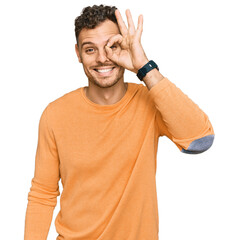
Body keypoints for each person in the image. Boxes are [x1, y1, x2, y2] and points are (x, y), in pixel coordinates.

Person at [24, 4, 215, 240]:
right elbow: (42, 194)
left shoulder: (150, 100)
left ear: (124, 45)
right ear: (77, 53)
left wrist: (144, 67)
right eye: (90, 49)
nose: (103, 58)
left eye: (111, 46)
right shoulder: (55, 114)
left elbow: (200, 139)